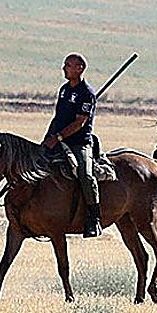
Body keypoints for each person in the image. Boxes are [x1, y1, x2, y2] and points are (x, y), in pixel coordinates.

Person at [43, 53, 102, 237]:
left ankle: (94, 218)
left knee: (85, 175)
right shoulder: (64, 90)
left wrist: (59, 137)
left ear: (80, 69)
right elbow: (58, 117)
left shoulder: (87, 93)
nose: (64, 68)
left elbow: (79, 123)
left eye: (68, 65)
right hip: (58, 139)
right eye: (65, 64)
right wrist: (48, 137)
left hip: (79, 143)